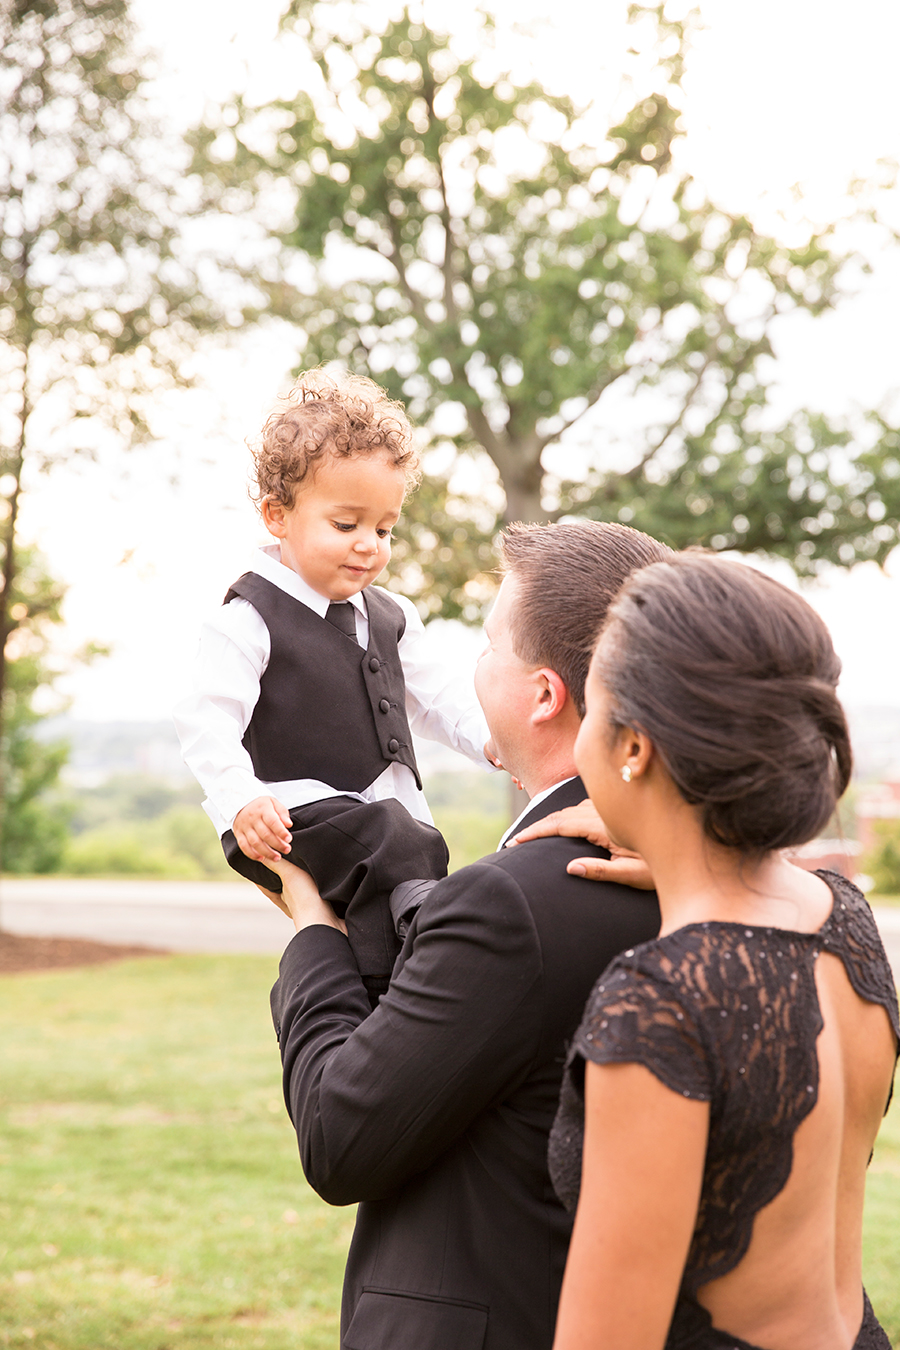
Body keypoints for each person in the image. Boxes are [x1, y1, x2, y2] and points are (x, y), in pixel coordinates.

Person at [265, 520, 669, 1350]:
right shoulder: (722, 882)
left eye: (488, 647)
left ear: (545, 694)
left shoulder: (504, 905)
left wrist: (314, 935)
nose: (472, 668)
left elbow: (341, 1139)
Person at [548, 553, 899, 1350]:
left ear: (632, 746)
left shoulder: (662, 1002)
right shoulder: (843, 924)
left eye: (592, 707)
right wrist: (674, 851)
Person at [174, 369, 492, 1001]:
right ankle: (396, 977)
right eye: (346, 525)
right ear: (278, 516)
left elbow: (439, 697)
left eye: (384, 528)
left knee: (420, 846)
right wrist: (241, 801)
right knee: (397, 842)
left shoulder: (393, 616)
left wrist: (495, 742)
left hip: (380, 824)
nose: (369, 545)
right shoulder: (247, 619)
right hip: (285, 814)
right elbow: (207, 720)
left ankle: (406, 984)